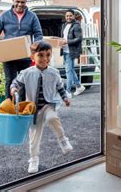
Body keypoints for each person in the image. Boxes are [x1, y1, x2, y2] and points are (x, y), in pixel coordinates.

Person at [10, 40, 73, 174]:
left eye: (48, 55)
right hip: (33, 110)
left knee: (52, 118)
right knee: (34, 136)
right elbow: (16, 82)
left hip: (48, 105)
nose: (45, 59)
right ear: (33, 57)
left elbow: (60, 87)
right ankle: (33, 159)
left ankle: (62, 139)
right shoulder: (26, 72)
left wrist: (65, 98)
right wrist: (14, 88)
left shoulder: (54, 72)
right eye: (41, 55)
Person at [0, 0, 43, 99]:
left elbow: (38, 34)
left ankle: (21, 107)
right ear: (13, 1)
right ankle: (8, 108)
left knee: (24, 82)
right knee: (9, 81)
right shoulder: (4, 16)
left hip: (25, 56)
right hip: (9, 56)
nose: (20, 4)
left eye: (23, 2)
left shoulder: (32, 16)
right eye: (18, 2)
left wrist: (35, 47)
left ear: (26, 3)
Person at [60, 9, 85, 96]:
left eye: (70, 15)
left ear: (74, 16)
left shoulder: (76, 26)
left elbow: (79, 39)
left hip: (72, 51)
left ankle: (68, 91)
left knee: (68, 71)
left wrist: (67, 41)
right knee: (71, 70)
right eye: (67, 16)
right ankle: (78, 86)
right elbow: (63, 37)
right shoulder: (64, 25)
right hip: (65, 50)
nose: (68, 17)